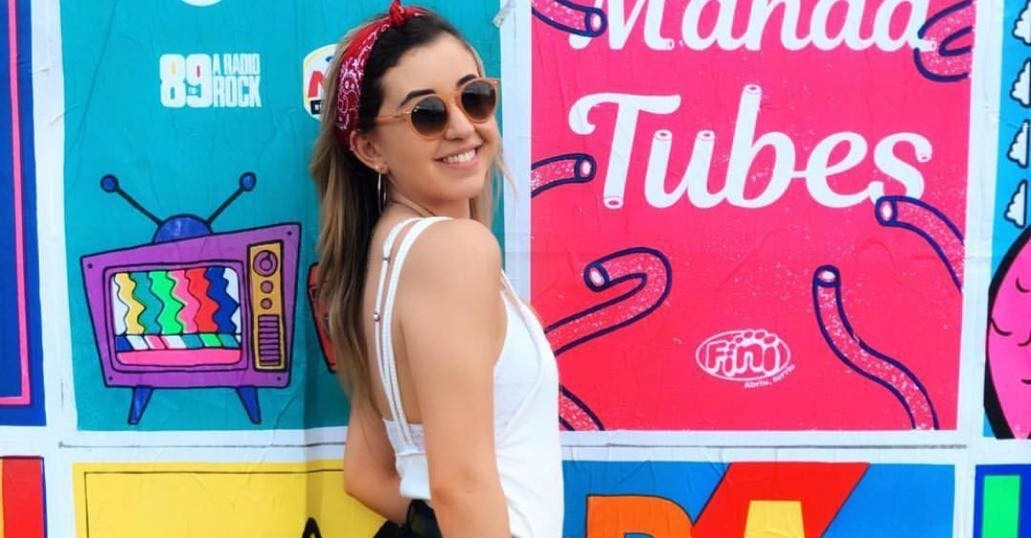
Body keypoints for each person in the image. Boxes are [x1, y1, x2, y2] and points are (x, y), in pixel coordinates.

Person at [309, 2, 564, 537]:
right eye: (427, 114)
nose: (463, 127)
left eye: (475, 98)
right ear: (370, 148)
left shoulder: (380, 262)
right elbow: (460, 485)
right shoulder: (454, 252)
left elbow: (364, 474)